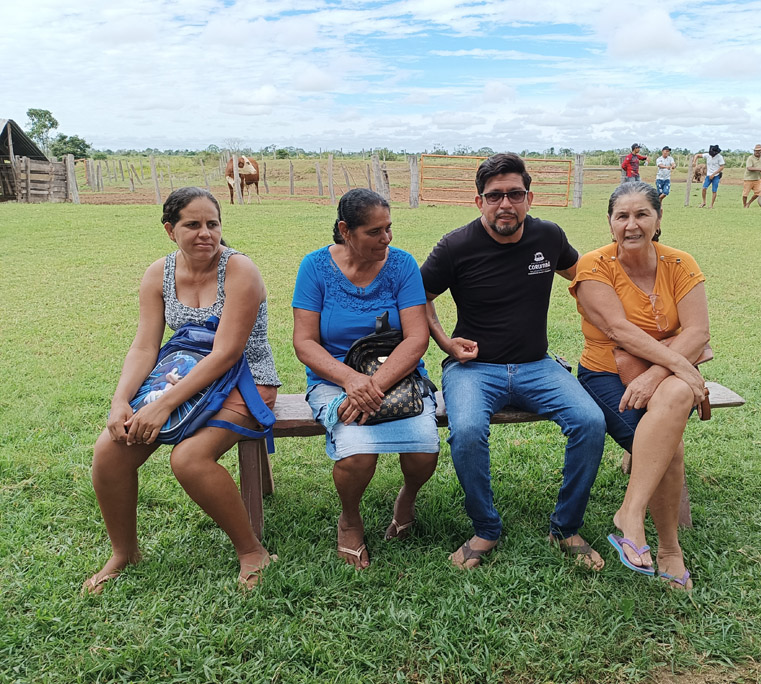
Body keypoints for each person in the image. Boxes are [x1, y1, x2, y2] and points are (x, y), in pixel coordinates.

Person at [83, 187, 282, 594]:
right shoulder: (158, 273)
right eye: (193, 224)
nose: (205, 233)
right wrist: (120, 400)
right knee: (109, 450)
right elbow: (144, 347)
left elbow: (227, 353)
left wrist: (164, 405)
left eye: (213, 224)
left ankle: (252, 551)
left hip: (246, 378)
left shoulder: (240, 270)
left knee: (189, 459)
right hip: (182, 373)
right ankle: (124, 552)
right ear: (170, 230)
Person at [421, 153, 607, 570]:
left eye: (515, 194)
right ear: (479, 201)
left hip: (537, 365)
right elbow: (419, 298)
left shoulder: (548, 237)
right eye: (494, 196)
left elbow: (583, 277)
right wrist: (446, 343)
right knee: (467, 431)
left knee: (591, 422)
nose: (505, 204)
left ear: (529, 198)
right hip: (474, 369)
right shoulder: (456, 246)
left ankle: (566, 527)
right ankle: (485, 528)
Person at [569, 181, 710, 591]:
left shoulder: (680, 264)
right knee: (670, 445)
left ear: (658, 219)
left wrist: (656, 374)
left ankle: (632, 514)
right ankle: (669, 549)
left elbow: (698, 331)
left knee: (677, 393)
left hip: (663, 376)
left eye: (642, 214)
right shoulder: (594, 266)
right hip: (606, 373)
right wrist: (678, 365)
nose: (632, 225)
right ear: (610, 223)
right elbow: (618, 330)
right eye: (622, 216)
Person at [292, 188, 439, 570]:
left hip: (397, 374)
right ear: (345, 230)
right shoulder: (315, 267)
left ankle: (407, 499)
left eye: (388, 228)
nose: (386, 238)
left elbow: (416, 338)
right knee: (357, 456)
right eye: (375, 231)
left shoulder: (402, 265)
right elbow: (304, 342)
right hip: (333, 378)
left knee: (424, 453)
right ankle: (350, 519)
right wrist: (350, 380)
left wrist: (371, 385)